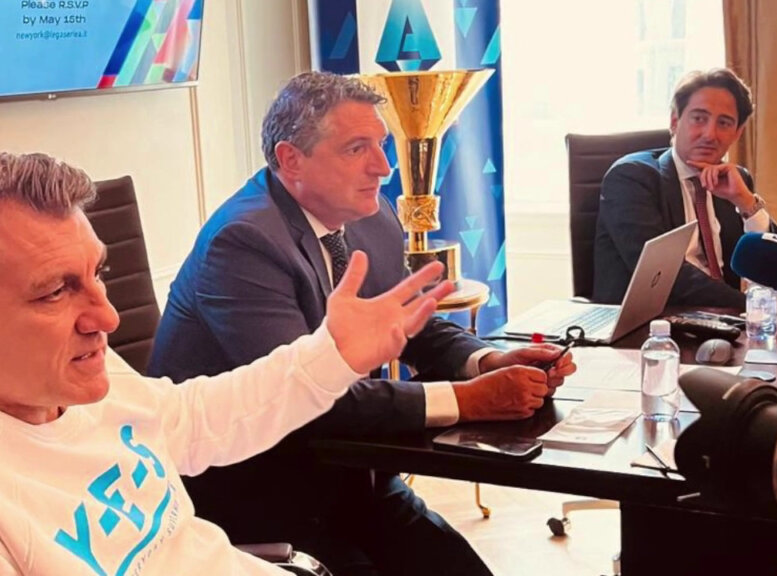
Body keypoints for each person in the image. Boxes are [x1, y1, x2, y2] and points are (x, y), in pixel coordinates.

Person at [0, 150, 455, 575]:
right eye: (55, 292)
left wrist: (331, 355)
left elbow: (191, 420)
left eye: (96, 273)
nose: (106, 317)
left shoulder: (60, 371)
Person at [147, 71, 575, 576]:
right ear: (291, 159)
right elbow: (307, 398)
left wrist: (486, 360)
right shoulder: (243, 242)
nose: (383, 166)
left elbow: (411, 323)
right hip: (262, 496)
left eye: (381, 144)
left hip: (351, 475)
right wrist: (469, 399)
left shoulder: (370, 215)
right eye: (356, 149)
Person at [594, 68, 777, 307]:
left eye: (724, 123)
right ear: (674, 121)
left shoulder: (736, 180)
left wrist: (746, 203)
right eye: (699, 118)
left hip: (725, 322)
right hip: (654, 322)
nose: (710, 134)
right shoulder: (632, 178)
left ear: (737, 133)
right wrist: (750, 307)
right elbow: (664, 276)